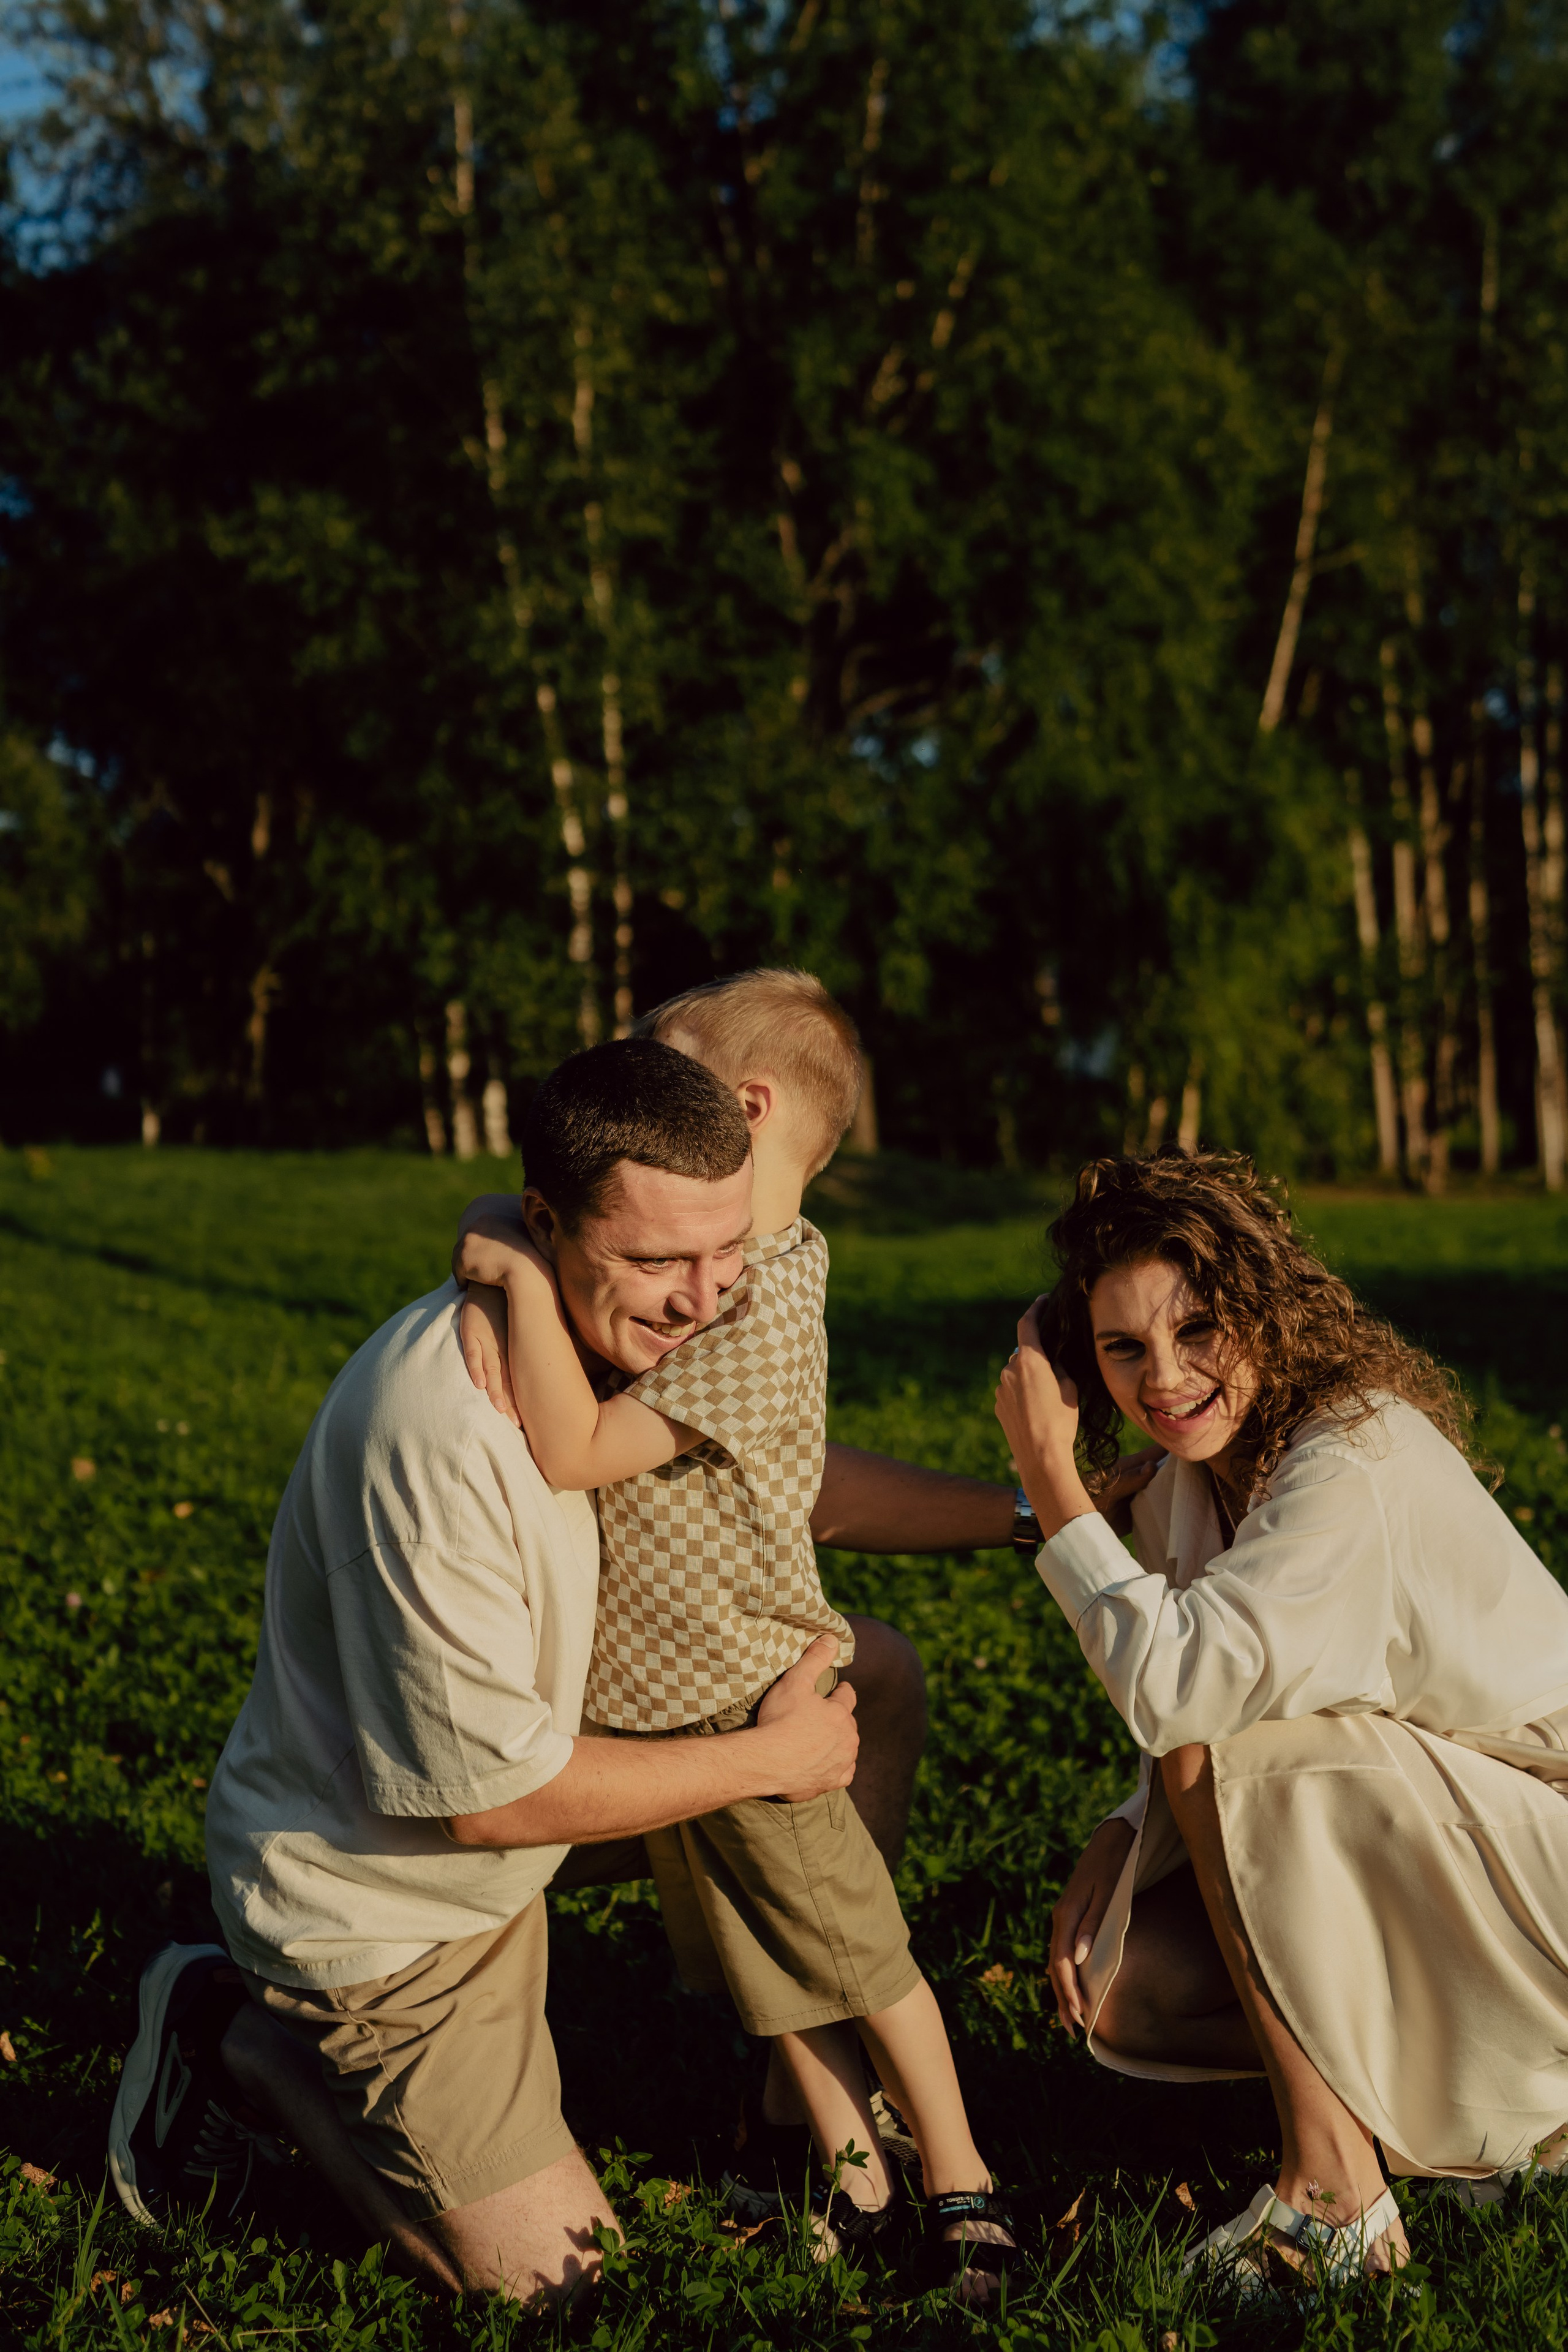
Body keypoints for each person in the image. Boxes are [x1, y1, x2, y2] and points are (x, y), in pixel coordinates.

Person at [108, 1025, 1027, 2309]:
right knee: (564, 2296)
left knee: (870, 1674)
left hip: (531, 1790)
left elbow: (778, 1479)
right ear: (549, 1223)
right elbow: (487, 1804)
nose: (704, 1301)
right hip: (393, 1895)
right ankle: (241, 2043)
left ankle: (797, 2110)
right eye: (653, 1261)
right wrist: (766, 1760)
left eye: (724, 1250)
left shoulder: (616, 1323)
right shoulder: (445, 1432)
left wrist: (1031, 1516)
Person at [454, 1011, 1015, 2297]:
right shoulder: (729, 1262)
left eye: (671, 1072)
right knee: (782, 1977)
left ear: (745, 1111)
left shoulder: (751, 1306)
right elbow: (563, 1203)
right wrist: (510, 1228)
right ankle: (852, 2185)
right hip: (686, 1716)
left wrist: (520, 1280)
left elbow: (571, 1451)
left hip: (749, 1708)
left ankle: (963, 2189)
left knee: (862, 1968)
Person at [995, 1147, 1568, 2299]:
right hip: (1462, 1860)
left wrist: (1052, 1473)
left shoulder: (1352, 1455)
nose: (1165, 1378)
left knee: (1219, 1741)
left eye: (1199, 1328)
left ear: (1267, 1311)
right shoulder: (1191, 1478)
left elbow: (1183, 1693)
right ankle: (1494, 2132)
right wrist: (1123, 1827)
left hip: (1544, 1850)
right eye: (1122, 1348)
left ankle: (1335, 2190)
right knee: (1129, 1987)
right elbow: (1207, 1676)